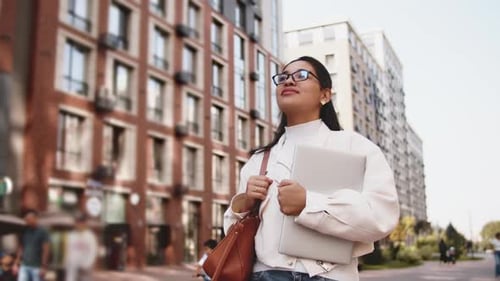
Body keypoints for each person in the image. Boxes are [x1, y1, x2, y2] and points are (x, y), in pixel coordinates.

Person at [223, 56, 400, 281]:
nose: (289, 81)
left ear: (325, 95)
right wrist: (244, 203)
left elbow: (381, 218)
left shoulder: (356, 148)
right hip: (265, 275)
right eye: (283, 77)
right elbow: (232, 234)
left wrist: (309, 203)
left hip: (332, 276)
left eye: (301, 75)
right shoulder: (258, 160)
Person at [13, 209, 50, 281]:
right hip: (25, 264)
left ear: (35, 219)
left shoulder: (43, 232)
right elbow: (21, 248)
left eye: (28, 219)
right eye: (26, 219)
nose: (27, 221)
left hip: (36, 266)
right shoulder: (25, 231)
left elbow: (46, 249)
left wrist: (44, 266)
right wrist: (16, 263)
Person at [64, 214, 98, 281]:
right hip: (72, 266)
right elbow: (68, 250)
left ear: (85, 223)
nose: (79, 224)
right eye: (77, 222)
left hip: (85, 267)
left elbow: (93, 252)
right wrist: (67, 262)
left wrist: (87, 264)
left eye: (81, 222)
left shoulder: (90, 236)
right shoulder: (71, 235)